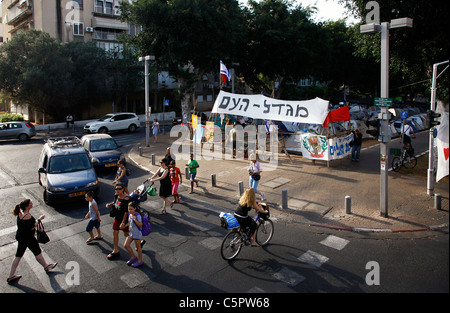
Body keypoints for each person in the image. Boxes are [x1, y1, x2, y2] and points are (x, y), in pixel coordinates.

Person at [7, 199, 57, 284]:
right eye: (30, 203)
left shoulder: (20, 213)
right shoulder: (27, 216)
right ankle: (46, 266)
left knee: (18, 256)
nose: (32, 204)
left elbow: (28, 226)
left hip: (21, 237)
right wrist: (40, 219)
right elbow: (32, 226)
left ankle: (11, 276)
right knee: (37, 252)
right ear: (27, 206)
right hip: (28, 238)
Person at [106, 182, 130, 259]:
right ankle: (115, 250)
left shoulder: (126, 198)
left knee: (127, 234)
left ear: (123, 189)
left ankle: (139, 241)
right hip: (117, 218)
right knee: (115, 232)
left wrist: (123, 222)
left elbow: (126, 211)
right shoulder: (116, 196)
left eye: (119, 189)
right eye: (116, 189)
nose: (117, 190)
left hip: (124, 219)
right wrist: (110, 204)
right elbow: (116, 202)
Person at [123, 202, 143, 268]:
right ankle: (133, 256)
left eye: (131, 209)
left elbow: (140, 225)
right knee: (126, 245)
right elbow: (130, 223)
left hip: (137, 234)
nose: (129, 210)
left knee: (138, 247)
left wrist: (135, 220)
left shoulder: (137, 215)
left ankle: (140, 261)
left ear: (135, 208)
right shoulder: (130, 214)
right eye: (129, 209)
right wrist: (125, 226)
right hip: (131, 233)